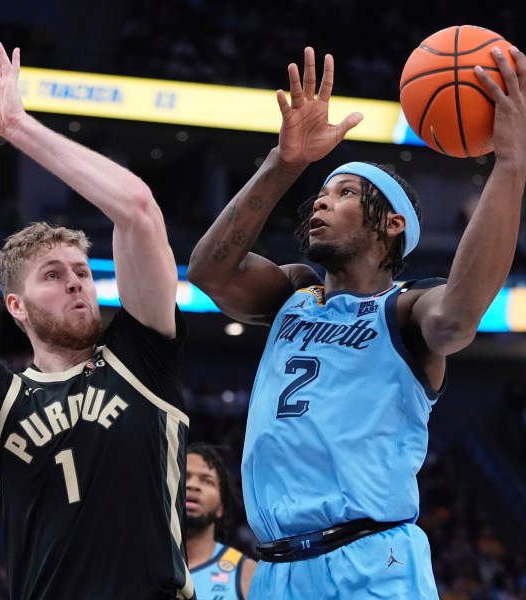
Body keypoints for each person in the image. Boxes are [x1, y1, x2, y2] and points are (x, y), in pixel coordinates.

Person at [187, 45, 526, 599]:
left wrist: (510, 165)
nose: (320, 204)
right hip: (275, 568)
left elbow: (459, 317)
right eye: (320, 194)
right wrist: (285, 163)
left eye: (344, 193)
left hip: (369, 561)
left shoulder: (407, 310)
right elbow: (209, 270)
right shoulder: (295, 291)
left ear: (391, 224)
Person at [0, 42, 194, 600]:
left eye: (79, 271)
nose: (75, 281)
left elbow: (138, 209)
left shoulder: (140, 354)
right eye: (52, 275)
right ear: (16, 307)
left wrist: (17, 126)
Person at [186, 442, 257, 600]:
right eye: (185, 477)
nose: (192, 486)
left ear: (221, 508)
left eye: (207, 481)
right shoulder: (136, 565)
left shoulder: (247, 573)